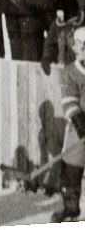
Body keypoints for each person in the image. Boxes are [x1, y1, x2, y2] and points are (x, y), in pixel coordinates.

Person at [52, 26, 85, 222]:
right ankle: (70, 207)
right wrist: (80, 121)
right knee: (72, 164)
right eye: (80, 45)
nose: (82, 49)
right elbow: (69, 100)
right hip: (78, 130)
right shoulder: (70, 72)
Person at [41, 0, 84, 76]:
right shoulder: (56, 25)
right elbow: (50, 44)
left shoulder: (81, 24)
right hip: (64, 68)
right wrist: (47, 57)